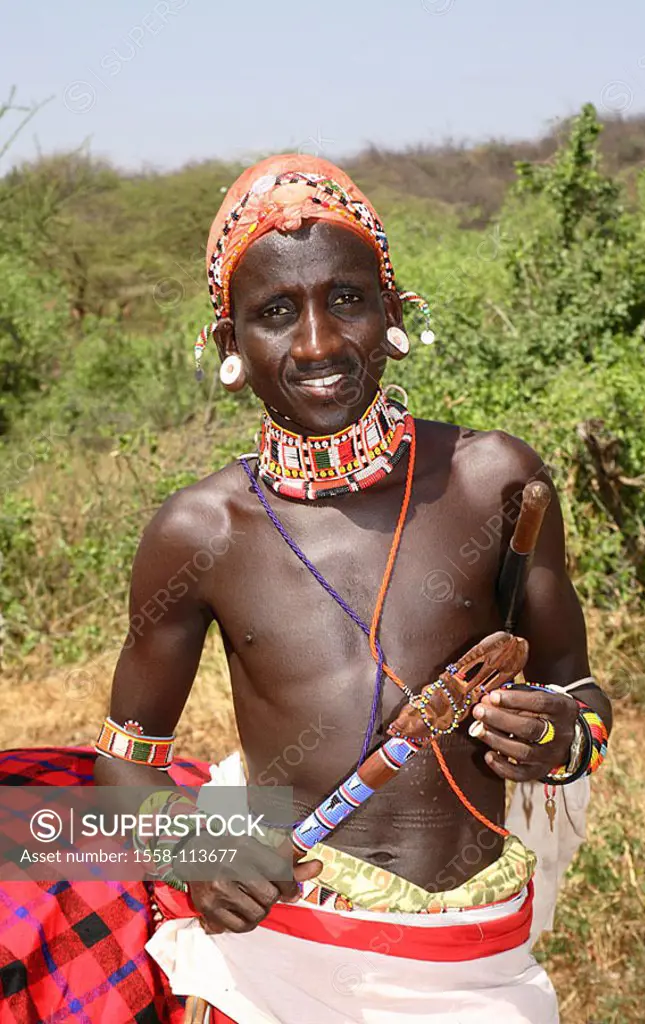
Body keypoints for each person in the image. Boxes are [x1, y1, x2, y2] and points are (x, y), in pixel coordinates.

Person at [93, 154, 613, 1024]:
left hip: (477, 963)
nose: (318, 343)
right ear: (229, 348)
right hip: (282, 961)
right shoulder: (201, 532)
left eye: (347, 299)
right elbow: (122, 767)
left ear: (394, 312)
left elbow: (583, 696)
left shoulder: (497, 482)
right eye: (273, 313)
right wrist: (192, 851)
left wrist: (565, 737)